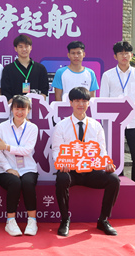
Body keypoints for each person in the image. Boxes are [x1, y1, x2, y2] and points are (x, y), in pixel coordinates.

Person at [51, 87, 120, 237]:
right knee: (62, 178)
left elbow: (102, 150)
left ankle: (103, 220)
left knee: (114, 179)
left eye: (84, 101)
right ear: (71, 103)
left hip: (91, 172)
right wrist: (61, 163)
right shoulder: (61, 126)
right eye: (77, 101)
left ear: (89, 103)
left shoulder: (96, 126)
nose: (80, 104)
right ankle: (65, 219)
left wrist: (106, 164)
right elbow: (56, 150)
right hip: (71, 172)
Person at [100, 41, 135, 209]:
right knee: (116, 160)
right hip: (114, 124)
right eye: (121, 53)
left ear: (131, 55)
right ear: (115, 56)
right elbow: (103, 101)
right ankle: (118, 193)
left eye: (127, 52)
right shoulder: (108, 75)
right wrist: (104, 125)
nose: (124, 55)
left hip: (134, 122)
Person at [0, 95, 39, 236]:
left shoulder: (32, 128)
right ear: (12, 109)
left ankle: (32, 220)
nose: (19, 112)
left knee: (27, 182)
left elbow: (27, 150)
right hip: (6, 170)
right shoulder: (3, 127)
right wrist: (9, 169)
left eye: (23, 109)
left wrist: (7, 147)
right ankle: (10, 221)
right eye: (16, 109)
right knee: (14, 182)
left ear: (28, 110)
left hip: (28, 168)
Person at [0, 34, 49, 102]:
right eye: (21, 47)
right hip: (16, 107)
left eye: (26, 46)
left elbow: (44, 91)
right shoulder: (8, 69)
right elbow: (6, 94)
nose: (24, 49)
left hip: (35, 106)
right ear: (15, 49)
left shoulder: (40, 68)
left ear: (31, 47)